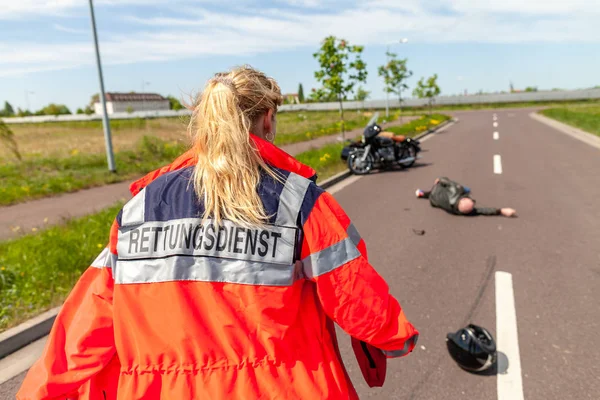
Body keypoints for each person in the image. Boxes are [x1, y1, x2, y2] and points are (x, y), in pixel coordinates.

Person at [18, 65, 418, 400]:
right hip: (284, 387)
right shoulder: (297, 201)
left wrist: (41, 391)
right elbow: (354, 295)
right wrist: (394, 337)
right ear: (267, 118)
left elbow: (85, 326)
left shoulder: (139, 210)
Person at [416, 177, 517, 217]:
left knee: (439, 191)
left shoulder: (457, 189)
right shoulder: (458, 212)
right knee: (435, 195)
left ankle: (423, 193)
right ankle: (423, 194)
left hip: (437, 191)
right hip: (433, 202)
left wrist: (439, 179)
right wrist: (500, 210)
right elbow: (483, 210)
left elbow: (445, 180)